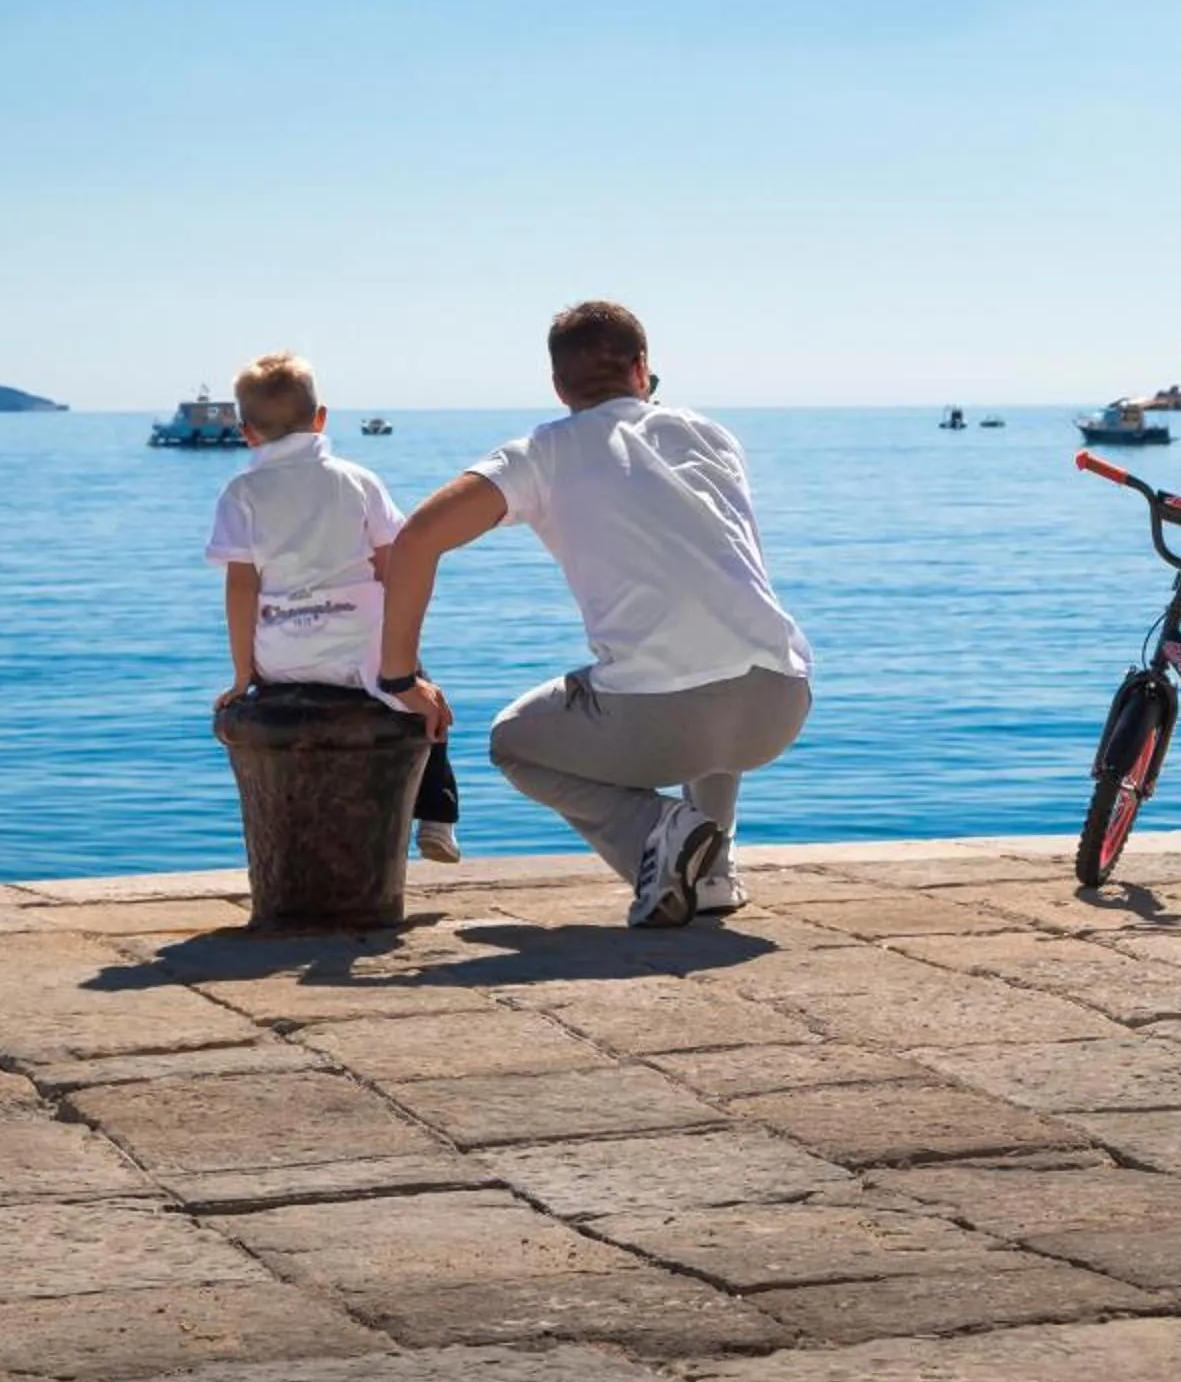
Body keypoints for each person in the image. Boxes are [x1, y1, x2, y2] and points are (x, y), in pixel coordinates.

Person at [377, 302, 811, 929]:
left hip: (668, 717)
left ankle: (656, 835)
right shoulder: (712, 436)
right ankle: (714, 874)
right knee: (710, 641)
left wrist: (399, 678)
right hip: (780, 702)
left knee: (514, 742)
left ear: (557, 386)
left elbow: (417, 538)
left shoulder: (542, 453)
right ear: (643, 370)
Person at [206, 353, 461, 862]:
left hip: (282, 658)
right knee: (426, 703)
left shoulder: (241, 493)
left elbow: (240, 589)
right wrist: (403, 662)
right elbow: (394, 570)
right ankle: (437, 816)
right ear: (321, 417)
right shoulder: (358, 481)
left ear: (246, 432)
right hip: (361, 655)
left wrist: (242, 674)